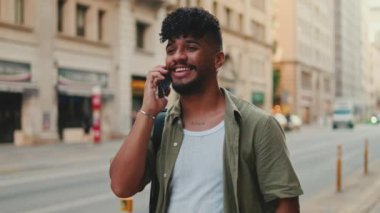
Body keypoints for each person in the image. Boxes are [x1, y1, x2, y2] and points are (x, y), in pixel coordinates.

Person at [110, 7, 303, 213]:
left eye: (191, 48)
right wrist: (147, 111)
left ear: (218, 60)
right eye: (171, 50)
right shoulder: (160, 126)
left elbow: (286, 204)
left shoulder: (259, 126)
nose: (178, 57)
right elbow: (121, 186)